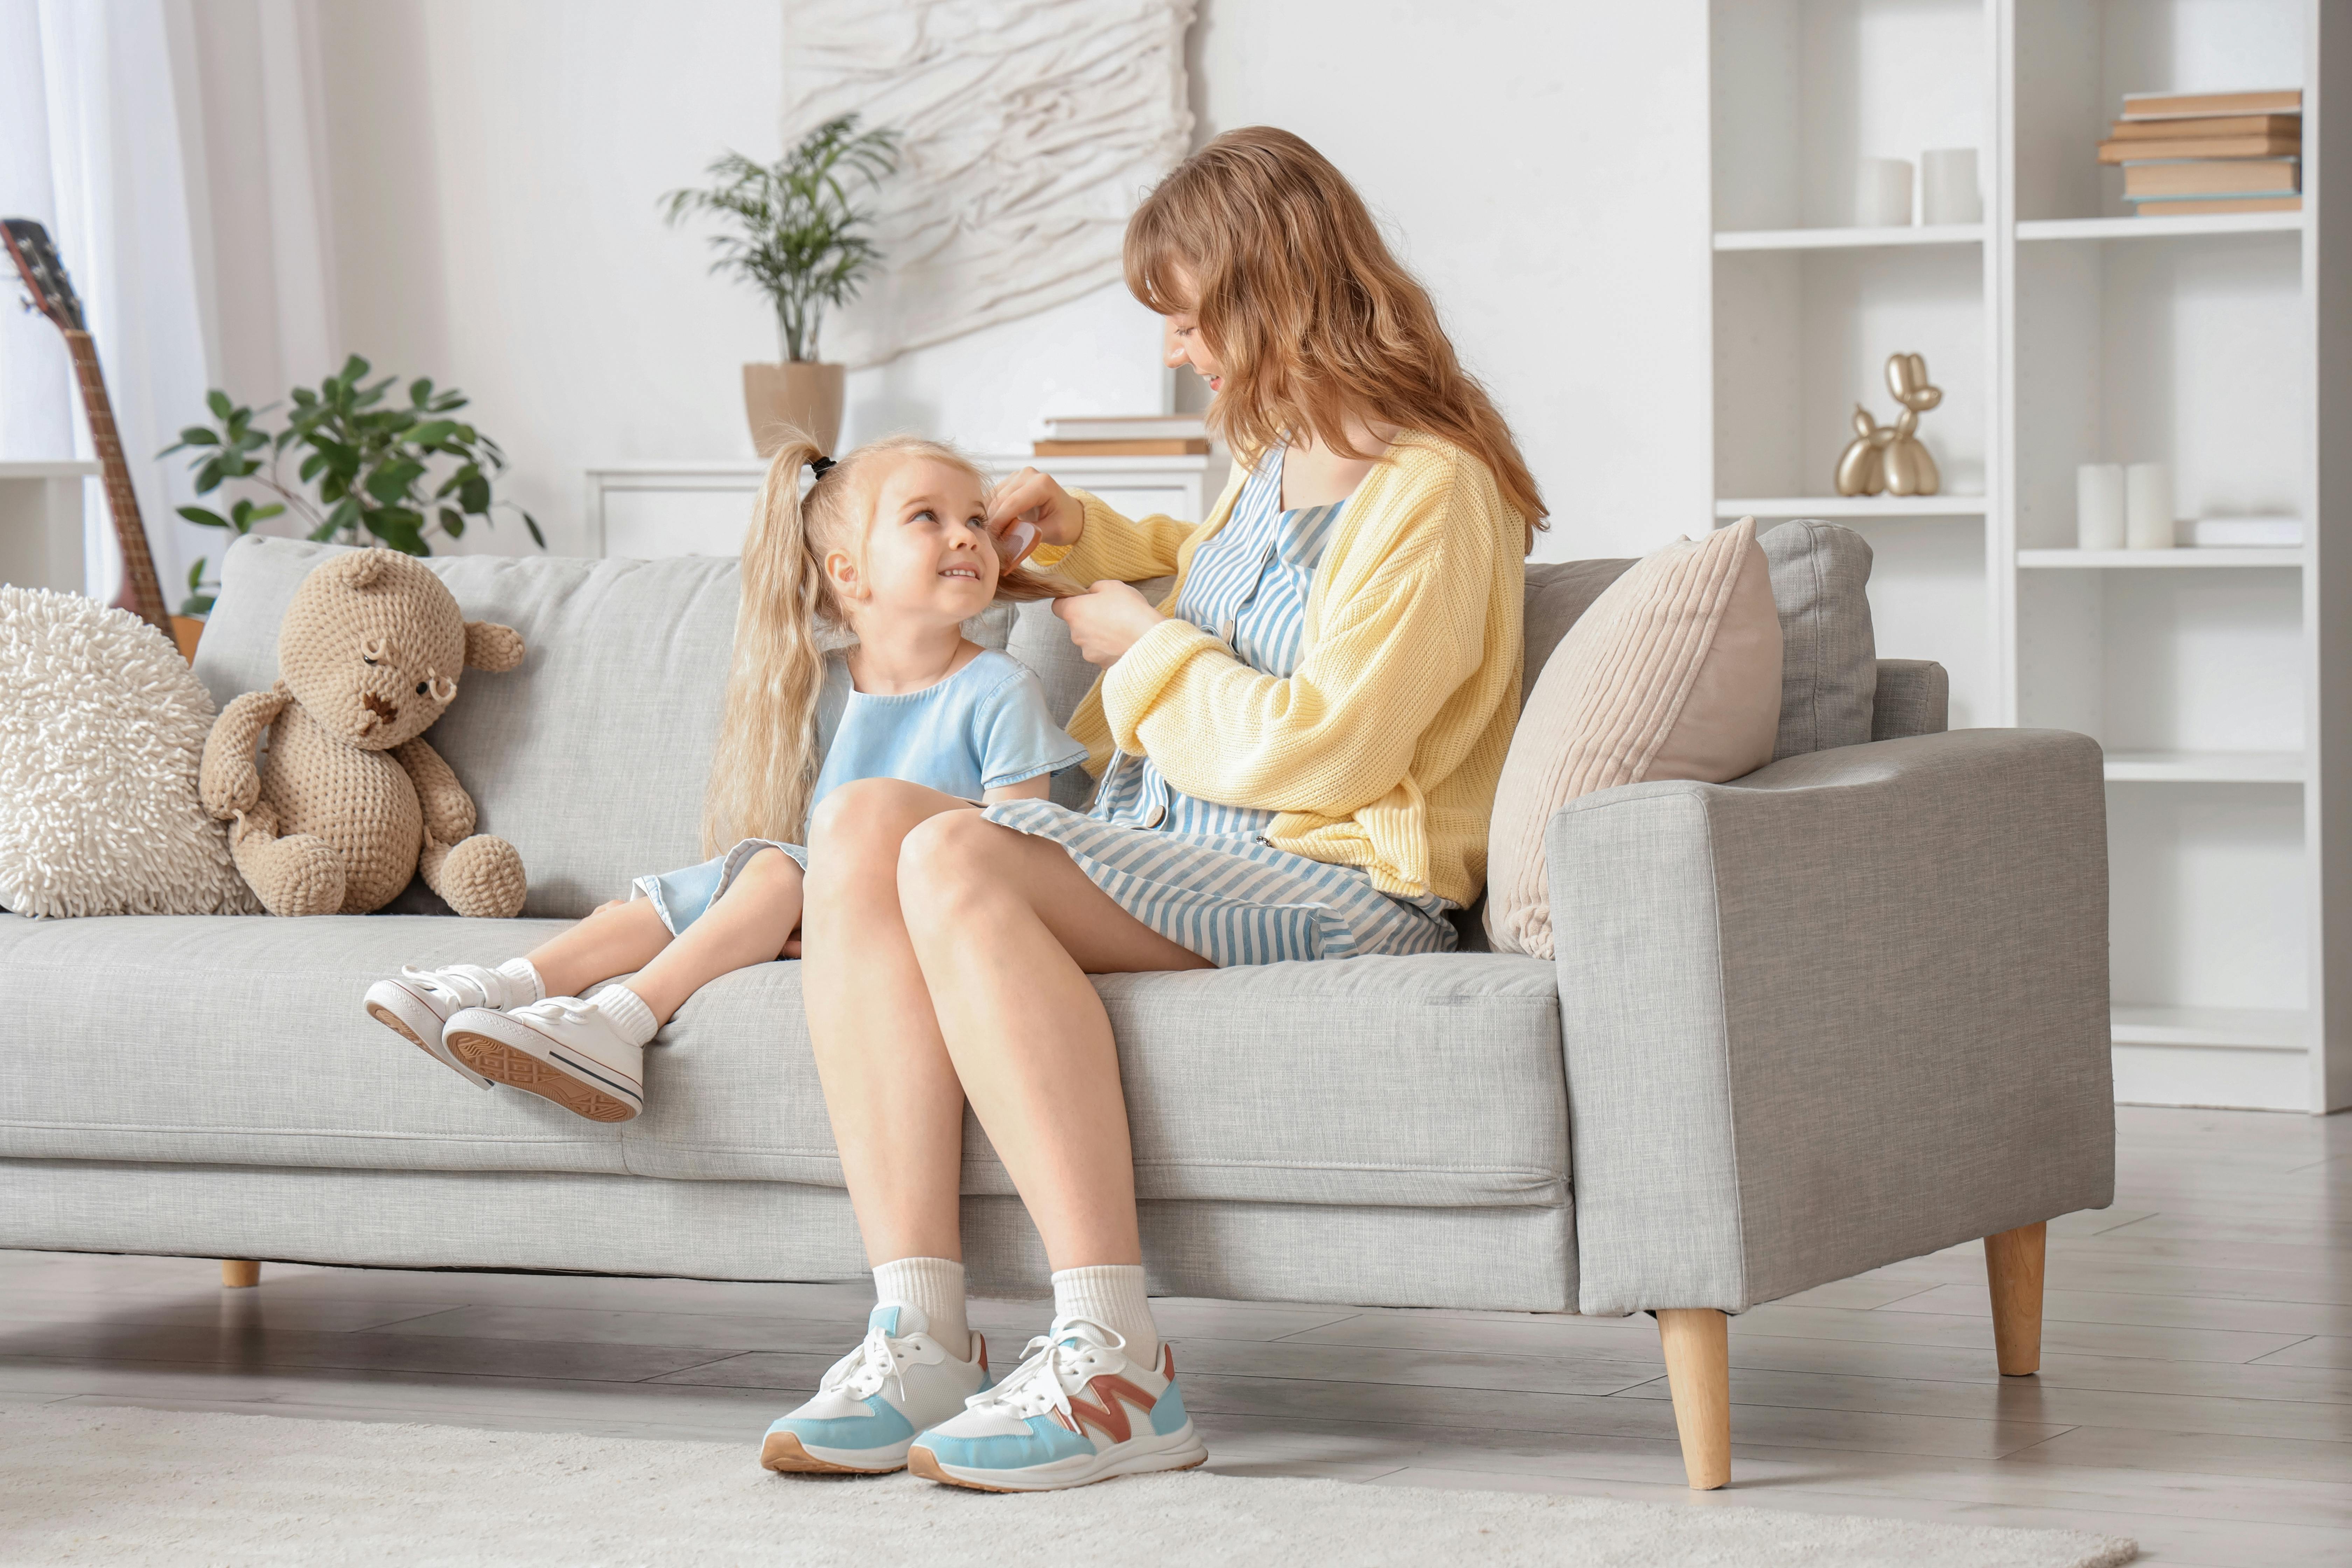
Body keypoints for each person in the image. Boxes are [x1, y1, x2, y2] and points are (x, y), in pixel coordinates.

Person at [778, 126, 1547, 1494]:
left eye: (1191, 322)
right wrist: (1083, 536)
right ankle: (922, 1329)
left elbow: (1331, 749)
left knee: (956, 848)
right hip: (1199, 849)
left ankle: (1117, 1362)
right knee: (858, 826)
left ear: (1273, 295)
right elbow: (1223, 576)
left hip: (1343, 892)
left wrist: (1142, 651)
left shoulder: (1437, 491)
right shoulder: (1279, 454)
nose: (1183, 354)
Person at [360, 432, 1083, 1137]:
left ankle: (620, 1018)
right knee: (710, 882)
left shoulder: (1000, 690)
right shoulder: (824, 687)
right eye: (930, 516)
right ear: (849, 574)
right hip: (817, 901)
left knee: (772, 870)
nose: (968, 537)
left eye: (979, 521)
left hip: (924, 912)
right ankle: (498, 987)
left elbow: (1017, 853)